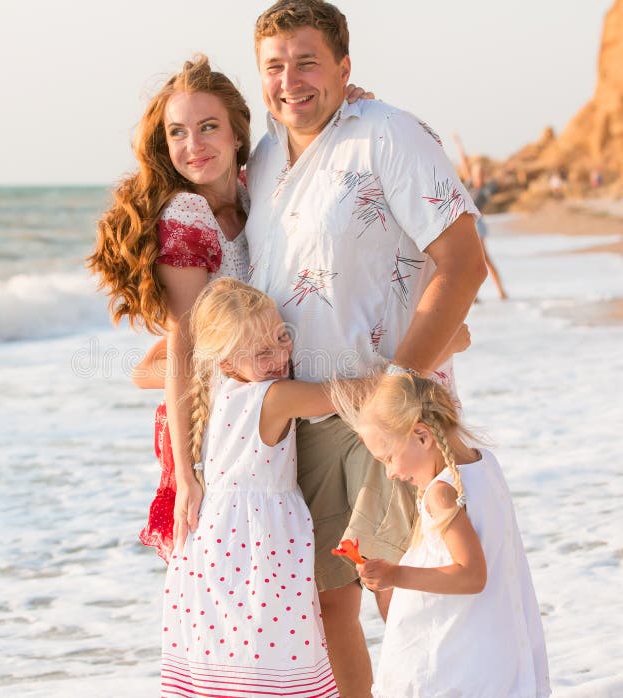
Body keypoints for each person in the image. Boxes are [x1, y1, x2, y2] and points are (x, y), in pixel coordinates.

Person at [237, 2, 488, 694]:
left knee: (407, 603)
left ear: (346, 69)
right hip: (305, 419)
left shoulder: (389, 134)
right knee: (328, 604)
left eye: (308, 61)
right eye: (275, 67)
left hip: (386, 413)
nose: (291, 80)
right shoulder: (261, 163)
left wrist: (395, 391)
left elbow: (463, 261)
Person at [89, 56, 368, 563]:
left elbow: (302, 143)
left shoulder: (253, 189)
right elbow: (182, 343)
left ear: (238, 134)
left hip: (262, 412)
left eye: (208, 127)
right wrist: (188, 472)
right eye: (178, 133)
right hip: (219, 430)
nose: (193, 146)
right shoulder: (188, 214)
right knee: (239, 585)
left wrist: (344, 110)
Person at [161, 277, 340, 695]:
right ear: (224, 361)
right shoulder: (275, 396)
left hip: (216, 551)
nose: (280, 356)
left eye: (283, 336)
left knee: (229, 673)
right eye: (263, 352)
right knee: (271, 668)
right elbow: (349, 394)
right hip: (258, 555)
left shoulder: (219, 385)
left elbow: (156, 367)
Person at [337, 373, 551, 698]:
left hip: (456, 654)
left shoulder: (442, 493)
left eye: (388, 458)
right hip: (494, 641)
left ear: (422, 436)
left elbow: (472, 576)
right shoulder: (485, 464)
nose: (391, 472)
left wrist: (395, 574)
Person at [454, 133, 509, 300]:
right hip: (466, 225)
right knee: (471, 260)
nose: (477, 176)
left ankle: (500, 291)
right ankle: (475, 296)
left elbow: (501, 177)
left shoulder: (487, 188)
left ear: (483, 175)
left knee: (483, 259)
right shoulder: (469, 183)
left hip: (478, 225)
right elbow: (464, 163)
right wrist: (458, 144)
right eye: (475, 173)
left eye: (480, 173)